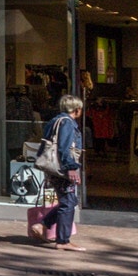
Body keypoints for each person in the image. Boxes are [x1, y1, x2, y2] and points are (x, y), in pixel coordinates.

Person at [37, 94, 87, 250]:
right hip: (62, 168)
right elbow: (64, 148)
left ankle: (43, 224)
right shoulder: (67, 123)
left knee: (69, 201)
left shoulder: (55, 121)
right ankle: (63, 240)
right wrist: (71, 167)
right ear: (76, 109)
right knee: (68, 202)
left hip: (54, 167)